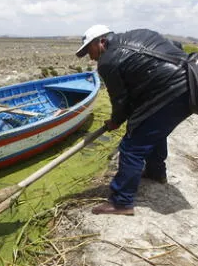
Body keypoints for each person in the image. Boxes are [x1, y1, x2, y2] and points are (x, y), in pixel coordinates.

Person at [75, 25, 191, 215]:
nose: (91, 57)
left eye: (90, 50)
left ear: (101, 42)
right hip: (188, 84)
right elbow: (175, 46)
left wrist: (115, 121)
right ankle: (156, 173)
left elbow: (120, 99)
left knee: (131, 147)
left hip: (172, 92)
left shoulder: (108, 61)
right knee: (153, 131)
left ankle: (122, 202)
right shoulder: (138, 35)